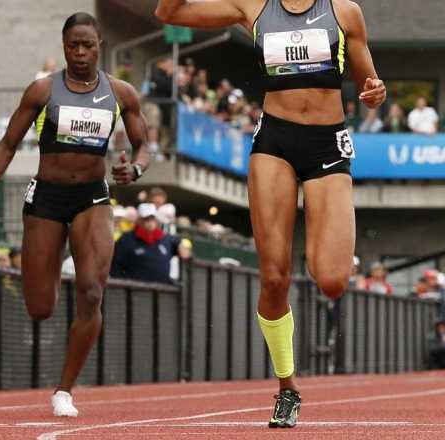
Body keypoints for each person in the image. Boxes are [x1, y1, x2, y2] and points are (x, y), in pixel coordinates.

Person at [156, 0, 386, 428]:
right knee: (274, 275)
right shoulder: (254, 7)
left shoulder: (345, 12)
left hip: (327, 146)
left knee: (333, 280)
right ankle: (287, 387)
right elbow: (169, 13)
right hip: (274, 143)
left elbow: (369, 86)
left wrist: (376, 92)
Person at [0, 13, 150, 417]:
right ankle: (60, 257)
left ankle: (64, 390)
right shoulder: (42, 91)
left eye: (88, 45)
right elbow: (7, 145)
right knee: (41, 307)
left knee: (91, 292)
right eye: (72, 46)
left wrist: (133, 170)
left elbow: (143, 147)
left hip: (92, 198)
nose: (80, 53)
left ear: (100, 45)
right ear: (63, 45)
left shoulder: (121, 94)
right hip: (46, 199)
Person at [110, 203, 191, 283]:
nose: (150, 221)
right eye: (146, 218)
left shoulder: (165, 238)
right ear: (139, 220)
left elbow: (183, 250)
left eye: (152, 218)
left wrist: (181, 246)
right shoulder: (127, 239)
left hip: (163, 291)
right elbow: (115, 265)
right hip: (134, 291)